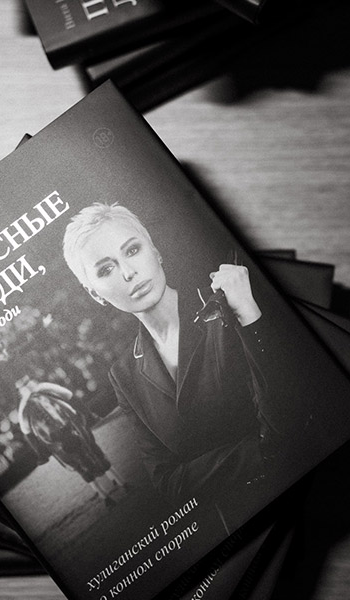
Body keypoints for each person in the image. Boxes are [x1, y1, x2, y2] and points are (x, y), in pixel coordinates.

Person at [63, 203, 285, 531]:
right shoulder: (123, 375)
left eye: (132, 250)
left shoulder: (232, 302)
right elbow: (170, 485)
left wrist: (250, 317)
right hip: (238, 529)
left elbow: (292, 418)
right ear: (95, 294)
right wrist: (264, 449)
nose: (128, 272)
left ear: (155, 251)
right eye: (106, 269)